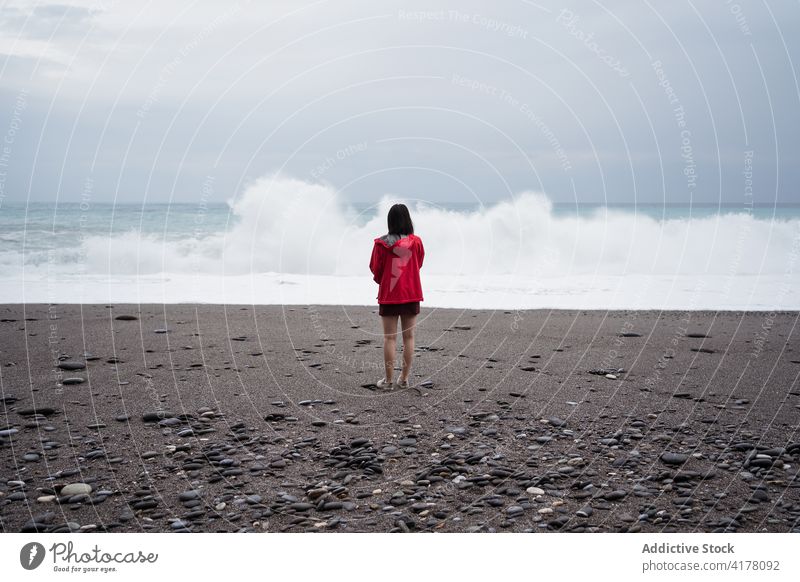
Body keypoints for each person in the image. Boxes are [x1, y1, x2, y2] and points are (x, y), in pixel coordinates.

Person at [369, 203, 424, 390]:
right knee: (409, 337)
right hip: (411, 292)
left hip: (389, 295)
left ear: (390, 221)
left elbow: (375, 269)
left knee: (389, 339)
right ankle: (405, 378)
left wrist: (384, 280)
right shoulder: (416, 242)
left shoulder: (380, 244)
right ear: (408, 220)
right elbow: (419, 263)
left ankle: (388, 380)